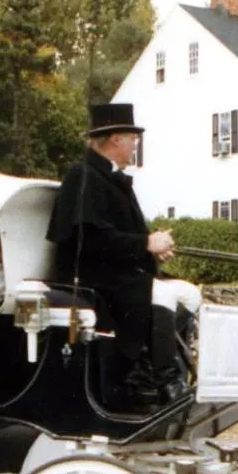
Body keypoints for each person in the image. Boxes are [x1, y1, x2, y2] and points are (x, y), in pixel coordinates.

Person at [46, 102, 199, 410]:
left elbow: (121, 238)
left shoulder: (113, 179)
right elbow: (90, 237)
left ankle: (158, 366)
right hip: (92, 277)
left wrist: (151, 251)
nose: (135, 145)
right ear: (115, 139)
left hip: (117, 273)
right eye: (132, 138)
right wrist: (146, 243)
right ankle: (157, 380)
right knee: (163, 294)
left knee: (189, 294)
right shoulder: (83, 176)